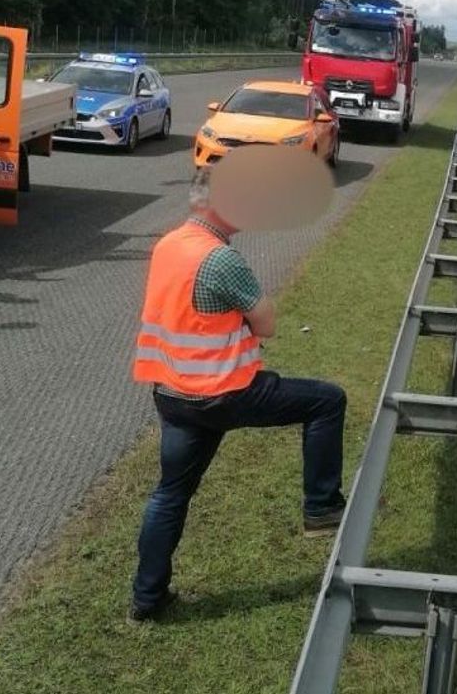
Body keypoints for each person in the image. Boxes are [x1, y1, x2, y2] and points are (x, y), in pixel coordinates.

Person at [129, 167, 347, 622]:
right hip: (225, 393)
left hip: (173, 393)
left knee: (171, 493)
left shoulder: (169, 244)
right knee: (327, 401)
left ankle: (146, 600)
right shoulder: (221, 260)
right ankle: (321, 507)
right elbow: (266, 322)